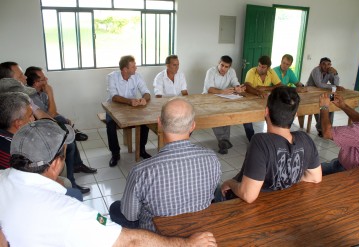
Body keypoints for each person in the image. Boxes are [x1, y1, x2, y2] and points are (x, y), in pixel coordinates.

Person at [0, 119, 217, 247]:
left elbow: (131, 215)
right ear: (57, 163)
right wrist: (186, 244)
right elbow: (129, 241)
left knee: (117, 208)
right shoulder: (68, 211)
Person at [109, 98, 221, 232]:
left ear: (160, 123)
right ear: (192, 126)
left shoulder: (141, 171)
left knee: (115, 208)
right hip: (197, 231)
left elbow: (130, 216)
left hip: (157, 236)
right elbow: (213, 194)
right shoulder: (212, 158)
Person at [219, 87, 322, 203]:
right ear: (295, 115)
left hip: (251, 207)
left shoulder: (260, 142)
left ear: (266, 111)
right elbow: (315, 178)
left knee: (217, 192)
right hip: (281, 202)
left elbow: (248, 195)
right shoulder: (305, 139)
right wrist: (288, 180)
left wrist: (229, 183)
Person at [0, 78, 90, 194]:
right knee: (66, 183)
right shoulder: (17, 149)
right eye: (31, 116)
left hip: (21, 181)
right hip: (25, 189)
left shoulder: (11, 134)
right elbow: (33, 179)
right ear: (18, 123)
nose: (34, 119)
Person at [106, 55, 152, 167]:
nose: (136, 68)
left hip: (132, 108)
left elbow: (146, 92)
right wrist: (129, 101)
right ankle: (115, 154)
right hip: (114, 107)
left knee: (145, 122)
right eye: (133, 66)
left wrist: (144, 99)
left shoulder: (137, 76)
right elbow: (114, 96)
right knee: (110, 124)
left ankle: (141, 149)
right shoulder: (112, 77)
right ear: (125, 69)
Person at [203, 55, 247, 154]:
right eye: (222, 65)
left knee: (227, 115)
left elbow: (235, 82)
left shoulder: (232, 71)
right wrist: (223, 91)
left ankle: (224, 142)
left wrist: (238, 87)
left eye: (226, 67)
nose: (223, 68)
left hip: (224, 98)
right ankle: (224, 141)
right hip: (208, 98)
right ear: (218, 63)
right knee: (216, 116)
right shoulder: (211, 71)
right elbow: (209, 89)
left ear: (229, 67)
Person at [319, 91, 359, 175]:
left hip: (348, 170)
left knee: (308, 173)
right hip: (349, 164)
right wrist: (343, 106)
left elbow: (327, 133)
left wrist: (324, 107)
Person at [244, 55, 282, 141]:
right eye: (259, 66)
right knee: (246, 116)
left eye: (263, 67)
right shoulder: (252, 71)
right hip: (250, 100)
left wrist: (265, 88)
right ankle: (251, 138)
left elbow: (279, 85)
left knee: (274, 113)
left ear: (268, 68)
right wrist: (258, 92)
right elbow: (247, 86)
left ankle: (272, 136)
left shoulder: (271, 72)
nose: (260, 68)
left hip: (264, 100)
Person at [306, 57, 345, 136]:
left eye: (328, 64)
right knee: (319, 107)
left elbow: (336, 84)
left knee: (332, 102)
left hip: (323, 92)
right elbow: (319, 84)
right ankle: (321, 129)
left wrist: (336, 74)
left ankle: (328, 127)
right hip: (310, 93)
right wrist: (334, 86)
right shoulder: (316, 70)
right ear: (320, 65)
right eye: (323, 64)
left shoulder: (330, 71)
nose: (326, 66)